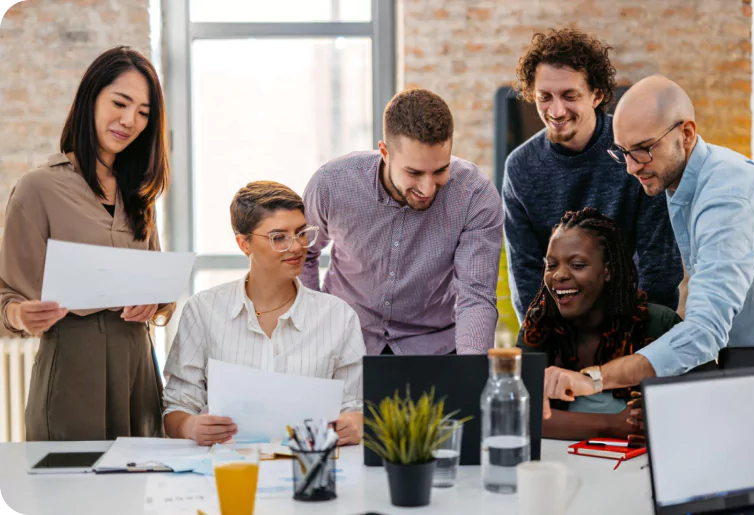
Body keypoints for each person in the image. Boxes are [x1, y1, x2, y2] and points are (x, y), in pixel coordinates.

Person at [543, 75, 754, 406]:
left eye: (643, 150)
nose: (632, 168)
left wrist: (595, 378)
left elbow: (703, 332)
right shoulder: (680, 180)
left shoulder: (729, 198)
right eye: (623, 153)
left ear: (687, 134)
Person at [0, 46, 173, 441]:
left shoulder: (139, 195)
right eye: (120, 102)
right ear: (91, 97)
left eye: (144, 113)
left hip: (139, 371)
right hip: (71, 373)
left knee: (138, 495)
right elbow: (6, 297)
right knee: (69, 497)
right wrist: (20, 315)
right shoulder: (38, 188)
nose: (130, 120)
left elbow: (160, 286)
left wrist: (154, 300)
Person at [300, 89, 504, 355]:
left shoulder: (475, 196)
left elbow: (475, 296)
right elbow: (303, 253)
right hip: (345, 340)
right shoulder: (332, 184)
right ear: (384, 152)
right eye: (414, 172)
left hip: (432, 347)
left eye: (440, 170)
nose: (428, 188)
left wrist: (472, 375)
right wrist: (313, 327)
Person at [163, 181, 366, 446]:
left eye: (301, 232)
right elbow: (177, 407)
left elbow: (354, 406)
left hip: (309, 469)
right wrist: (191, 427)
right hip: (225, 470)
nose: (296, 247)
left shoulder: (338, 317)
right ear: (244, 244)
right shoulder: (203, 310)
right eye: (278, 237)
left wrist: (353, 424)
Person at [504, 28, 682, 323]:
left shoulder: (636, 151)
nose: (556, 110)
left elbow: (659, 267)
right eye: (544, 97)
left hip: (635, 323)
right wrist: (549, 343)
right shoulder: (520, 167)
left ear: (596, 95)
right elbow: (525, 275)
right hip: (559, 329)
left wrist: (624, 344)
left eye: (569, 96)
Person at [519, 208, 680, 440]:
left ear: (608, 271)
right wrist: (613, 425)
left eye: (577, 264)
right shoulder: (540, 327)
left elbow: (708, 400)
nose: (559, 275)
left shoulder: (658, 325)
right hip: (562, 467)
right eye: (551, 265)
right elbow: (518, 414)